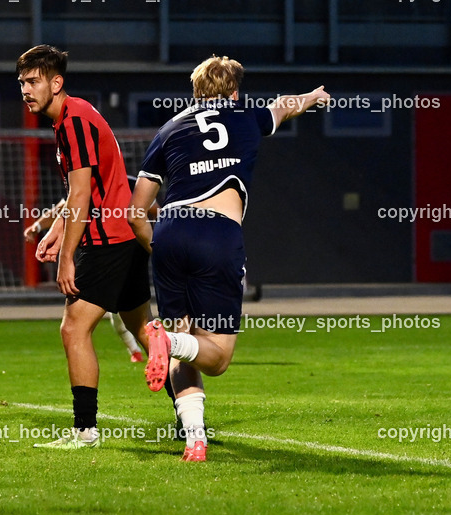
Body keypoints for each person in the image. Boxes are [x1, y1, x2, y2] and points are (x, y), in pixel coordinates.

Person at [129, 55, 330, 462]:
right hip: (216, 234)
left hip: (170, 231)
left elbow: (136, 213)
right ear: (235, 92)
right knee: (217, 357)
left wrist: (160, 247)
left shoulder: (168, 129)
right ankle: (166, 341)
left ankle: (195, 441)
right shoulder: (246, 116)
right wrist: (312, 96)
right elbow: (284, 106)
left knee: (186, 345)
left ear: (194, 91)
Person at [16, 45, 153, 450]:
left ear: (56, 83)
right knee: (145, 331)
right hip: (124, 236)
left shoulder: (73, 122)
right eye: (22, 82)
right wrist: (57, 229)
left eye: (33, 81)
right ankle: (190, 417)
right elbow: (84, 190)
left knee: (74, 327)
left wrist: (66, 259)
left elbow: (81, 197)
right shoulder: (73, 116)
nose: (25, 90)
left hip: (108, 239)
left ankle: (85, 431)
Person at [23, 197, 144, 363]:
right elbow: (65, 206)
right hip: (129, 250)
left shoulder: (103, 187)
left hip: (108, 250)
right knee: (136, 319)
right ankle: (155, 352)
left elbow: (72, 202)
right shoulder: (128, 187)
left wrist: (65, 257)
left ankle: (150, 349)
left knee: (74, 328)